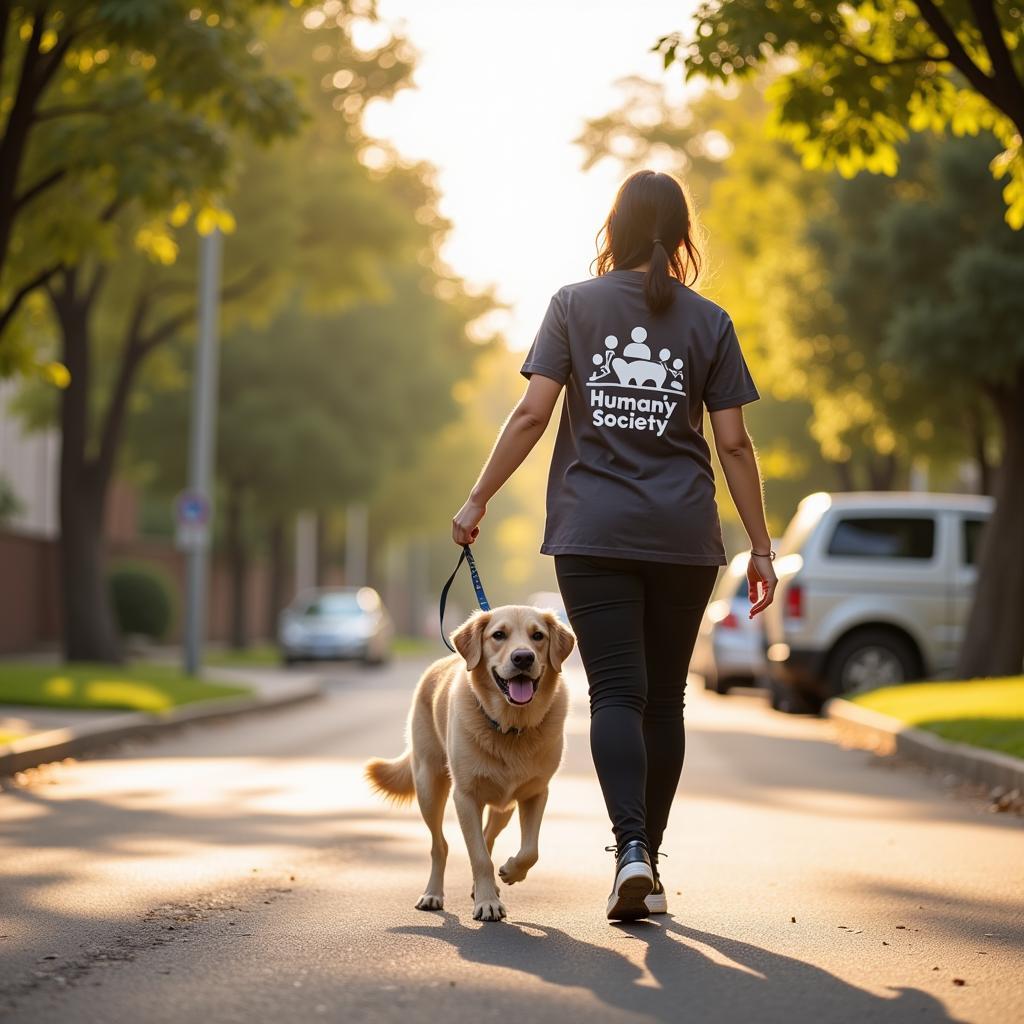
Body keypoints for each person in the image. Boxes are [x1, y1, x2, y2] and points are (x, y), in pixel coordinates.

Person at [451, 169, 777, 921]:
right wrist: (759, 546)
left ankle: (628, 847)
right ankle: (647, 862)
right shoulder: (710, 320)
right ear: (684, 232)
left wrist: (478, 498)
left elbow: (532, 415)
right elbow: (734, 445)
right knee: (664, 701)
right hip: (683, 535)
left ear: (615, 228)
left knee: (617, 695)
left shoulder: (574, 304)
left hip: (593, 533)